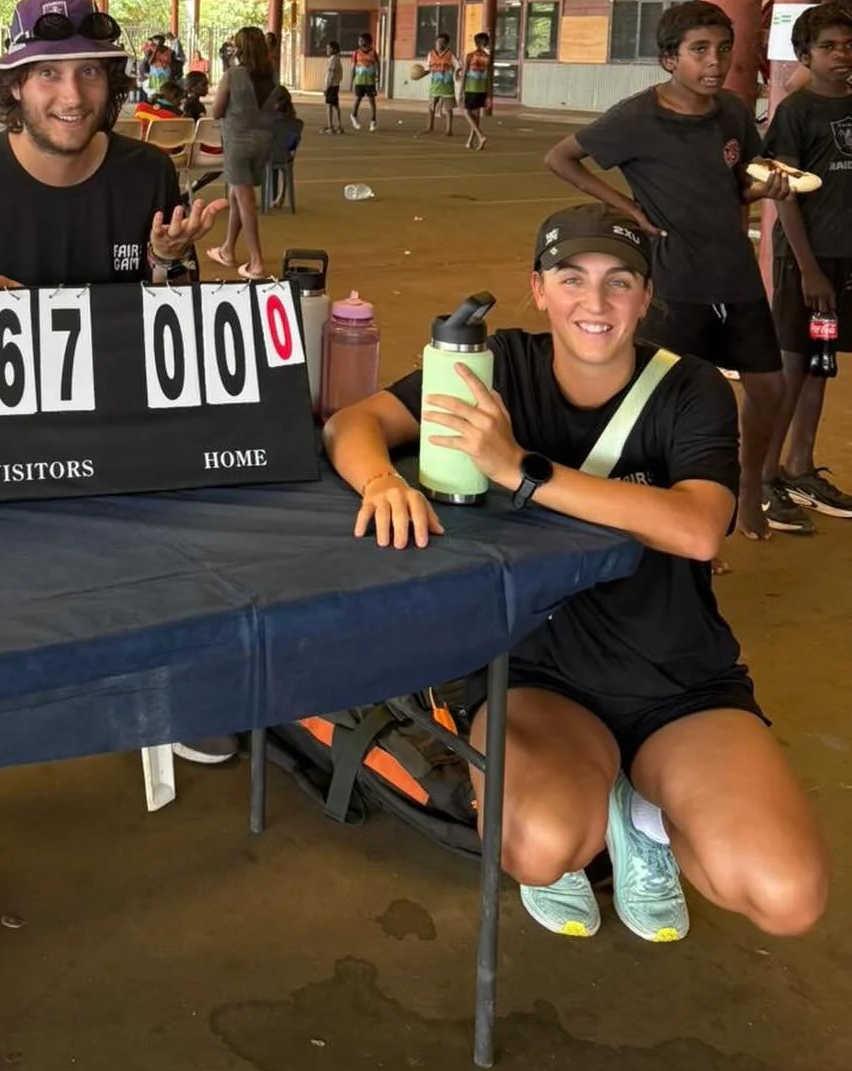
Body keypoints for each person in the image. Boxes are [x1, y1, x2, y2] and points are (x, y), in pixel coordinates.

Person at [324, 202, 828, 949]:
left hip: (676, 675)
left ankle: (643, 814)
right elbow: (354, 424)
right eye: (572, 278)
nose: (596, 304)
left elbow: (697, 526)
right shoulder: (496, 369)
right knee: (538, 847)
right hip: (537, 673)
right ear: (538, 288)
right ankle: (598, 802)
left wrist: (519, 469)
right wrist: (380, 485)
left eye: (619, 282)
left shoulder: (690, 388)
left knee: (787, 897)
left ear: (647, 297)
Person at [0, 0, 230, 915]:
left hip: (115, 442)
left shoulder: (149, 176)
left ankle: (174, 696)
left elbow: (171, 332)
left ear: (115, 83)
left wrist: (165, 269)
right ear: (15, 87)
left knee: (204, 527)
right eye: (48, 75)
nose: (71, 95)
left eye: (88, 72)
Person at [545, 0, 797, 540]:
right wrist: (625, 207)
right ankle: (671, 515)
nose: (715, 61)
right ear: (668, 60)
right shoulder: (638, 117)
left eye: (723, 49)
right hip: (677, 280)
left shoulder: (731, 111)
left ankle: (749, 488)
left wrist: (767, 186)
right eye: (699, 50)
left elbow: (740, 185)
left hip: (735, 273)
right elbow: (560, 158)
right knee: (672, 399)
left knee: (770, 389)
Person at [760, 2, 852, 520]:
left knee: (822, 365)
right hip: (808, 261)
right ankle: (766, 474)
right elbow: (785, 195)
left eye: (847, 45)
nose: (841, 55)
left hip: (847, 257)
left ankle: (800, 467)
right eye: (828, 47)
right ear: (804, 55)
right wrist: (810, 267)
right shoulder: (795, 112)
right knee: (793, 367)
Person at [207, 24, 280, 280]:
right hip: (263, 141)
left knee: (245, 199)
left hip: (238, 141)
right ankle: (227, 249)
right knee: (238, 195)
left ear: (239, 49)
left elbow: (216, 111)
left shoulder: (232, 75)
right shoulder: (271, 75)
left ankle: (256, 262)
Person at [422, 32, 457, 137]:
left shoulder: (450, 55)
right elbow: (428, 68)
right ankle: (430, 127)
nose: (440, 44)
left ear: (446, 44)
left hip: (447, 84)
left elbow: (457, 66)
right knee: (431, 106)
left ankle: (449, 130)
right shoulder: (431, 54)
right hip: (435, 84)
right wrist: (420, 74)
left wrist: (458, 74)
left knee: (448, 108)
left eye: (443, 42)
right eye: (438, 41)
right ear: (435, 42)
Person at [462, 30, 492, 151]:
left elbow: (464, 73)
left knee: (466, 112)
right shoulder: (487, 57)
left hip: (471, 87)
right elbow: (489, 76)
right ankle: (470, 141)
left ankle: (480, 135)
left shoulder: (470, 56)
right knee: (476, 116)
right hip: (482, 89)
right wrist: (489, 93)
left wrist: (461, 90)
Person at [349, 31, 378, 131]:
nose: (360, 42)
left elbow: (377, 66)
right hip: (359, 80)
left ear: (368, 41)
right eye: (359, 40)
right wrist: (351, 81)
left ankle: (373, 120)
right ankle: (354, 115)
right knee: (358, 99)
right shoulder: (356, 53)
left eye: (362, 40)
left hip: (370, 81)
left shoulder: (373, 53)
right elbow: (353, 68)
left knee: (372, 100)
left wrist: (378, 78)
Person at [322, 40, 344, 134]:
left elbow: (331, 74)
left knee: (329, 106)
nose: (327, 50)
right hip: (335, 85)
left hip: (331, 86)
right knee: (335, 105)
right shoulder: (337, 59)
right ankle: (339, 126)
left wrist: (326, 87)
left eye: (329, 48)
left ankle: (330, 126)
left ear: (334, 49)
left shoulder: (333, 60)